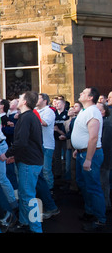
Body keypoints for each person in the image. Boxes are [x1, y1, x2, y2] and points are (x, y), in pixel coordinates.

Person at [0, 91, 43, 233]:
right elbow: (28, 142)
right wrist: (15, 156)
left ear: (25, 102)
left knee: (29, 197)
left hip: (29, 162)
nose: (17, 99)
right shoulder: (28, 116)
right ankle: (25, 222)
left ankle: (36, 229)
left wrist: (6, 154)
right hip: (28, 160)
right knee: (25, 195)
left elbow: (21, 142)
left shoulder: (26, 118)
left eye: (20, 98)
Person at [71, 87, 106, 232]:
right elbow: (83, 133)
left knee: (93, 186)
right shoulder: (85, 111)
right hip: (81, 153)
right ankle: (90, 211)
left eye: (84, 93)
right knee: (83, 183)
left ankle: (100, 219)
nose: (80, 94)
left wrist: (88, 158)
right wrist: (77, 149)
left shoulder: (93, 112)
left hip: (90, 155)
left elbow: (93, 137)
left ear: (91, 97)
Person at [36, 93, 56, 190]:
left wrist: (33, 115)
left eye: (38, 98)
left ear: (45, 101)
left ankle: (50, 190)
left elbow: (44, 123)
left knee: (46, 170)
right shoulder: (36, 111)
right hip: (38, 145)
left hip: (47, 145)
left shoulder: (49, 111)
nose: (36, 100)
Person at [97, 102, 112, 210]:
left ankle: (105, 205)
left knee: (103, 181)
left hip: (104, 158)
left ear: (103, 112)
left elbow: (105, 143)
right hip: (102, 157)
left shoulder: (106, 123)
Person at [53, 98, 68, 180]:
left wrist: (59, 131)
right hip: (55, 138)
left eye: (59, 103)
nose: (57, 104)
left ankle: (65, 174)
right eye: (56, 103)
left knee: (65, 157)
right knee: (56, 157)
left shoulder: (66, 114)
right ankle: (57, 173)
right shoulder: (54, 114)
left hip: (64, 138)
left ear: (63, 104)